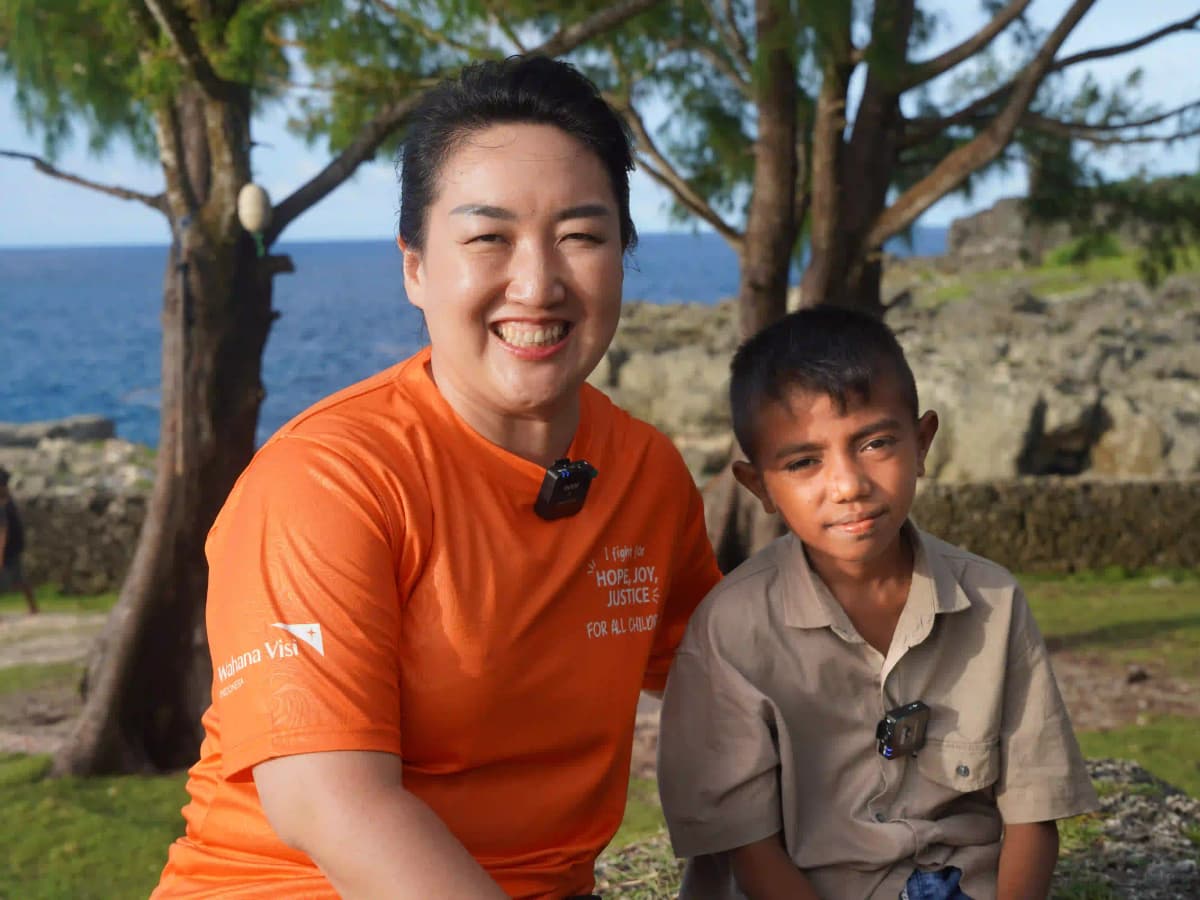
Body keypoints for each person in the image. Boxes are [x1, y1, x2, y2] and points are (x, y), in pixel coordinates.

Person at [154, 55, 721, 899]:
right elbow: (329, 803)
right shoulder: (329, 481)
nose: (537, 283)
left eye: (581, 236)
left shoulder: (645, 475)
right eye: (489, 238)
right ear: (415, 267)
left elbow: (739, 685)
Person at [656, 306, 1097, 900]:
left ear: (922, 443)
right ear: (759, 485)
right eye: (803, 461)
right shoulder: (730, 630)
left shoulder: (993, 603)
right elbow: (748, 851)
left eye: (876, 443)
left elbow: (1033, 811)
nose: (848, 485)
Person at [0, 467, 38, 614]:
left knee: (19, 578)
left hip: (10, 546)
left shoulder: (5, 505)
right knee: (20, 578)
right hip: (13, 545)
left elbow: (3, 531)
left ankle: (33, 607)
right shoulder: (7, 503)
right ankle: (33, 607)